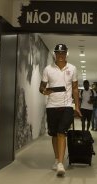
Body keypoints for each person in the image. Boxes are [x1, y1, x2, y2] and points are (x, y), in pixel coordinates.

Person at [39, 43, 81, 177]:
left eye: (63, 53)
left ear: (66, 54)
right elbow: (42, 87)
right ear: (55, 54)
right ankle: (57, 159)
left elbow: (74, 88)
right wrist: (44, 91)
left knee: (61, 132)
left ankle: (61, 164)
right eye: (58, 53)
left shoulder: (73, 68)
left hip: (67, 105)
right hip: (51, 106)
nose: (61, 55)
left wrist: (77, 107)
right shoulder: (47, 69)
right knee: (54, 134)